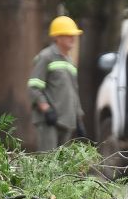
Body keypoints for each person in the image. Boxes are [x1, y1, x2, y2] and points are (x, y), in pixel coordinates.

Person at [27, 15, 85, 151]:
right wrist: (46, 109)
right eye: (68, 35)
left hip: (67, 120)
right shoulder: (46, 57)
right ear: (57, 37)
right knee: (48, 162)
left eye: (74, 35)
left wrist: (78, 119)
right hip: (49, 121)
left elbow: (74, 91)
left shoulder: (70, 62)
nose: (73, 38)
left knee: (62, 166)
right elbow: (34, 86)